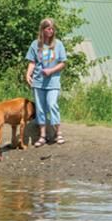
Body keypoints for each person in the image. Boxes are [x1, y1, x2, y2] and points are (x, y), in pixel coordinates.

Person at [24, 18, 67, 146]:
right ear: (42, 30)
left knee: (52, 104)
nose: (51, 31)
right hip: (38, 81)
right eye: (48, 29)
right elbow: (32, 62)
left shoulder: (58, 44)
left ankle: (58, 133)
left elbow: (63, 63)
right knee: (41, 108)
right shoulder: (35, 44)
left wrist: (51, 70)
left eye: (53, 29)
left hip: (53, 82)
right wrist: (28, 74)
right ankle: (42, 135)